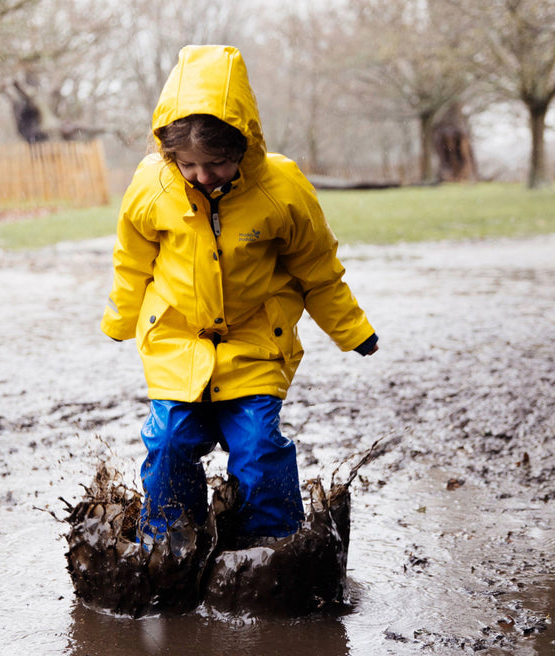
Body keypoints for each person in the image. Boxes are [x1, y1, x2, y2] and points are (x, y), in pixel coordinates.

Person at [101, 45, 378, 548]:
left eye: (219, 164)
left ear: (245, 145)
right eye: (188, 165)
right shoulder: (151, 187)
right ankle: (168, 543)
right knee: (168, 443)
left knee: (256, 446)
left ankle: (273, 546)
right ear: (168, 154)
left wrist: (352, 330)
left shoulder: (282, 190)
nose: (203, 177)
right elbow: (132, 261)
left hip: (254, 342)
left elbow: (317, 270)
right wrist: (120, 320)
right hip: (177, 344)